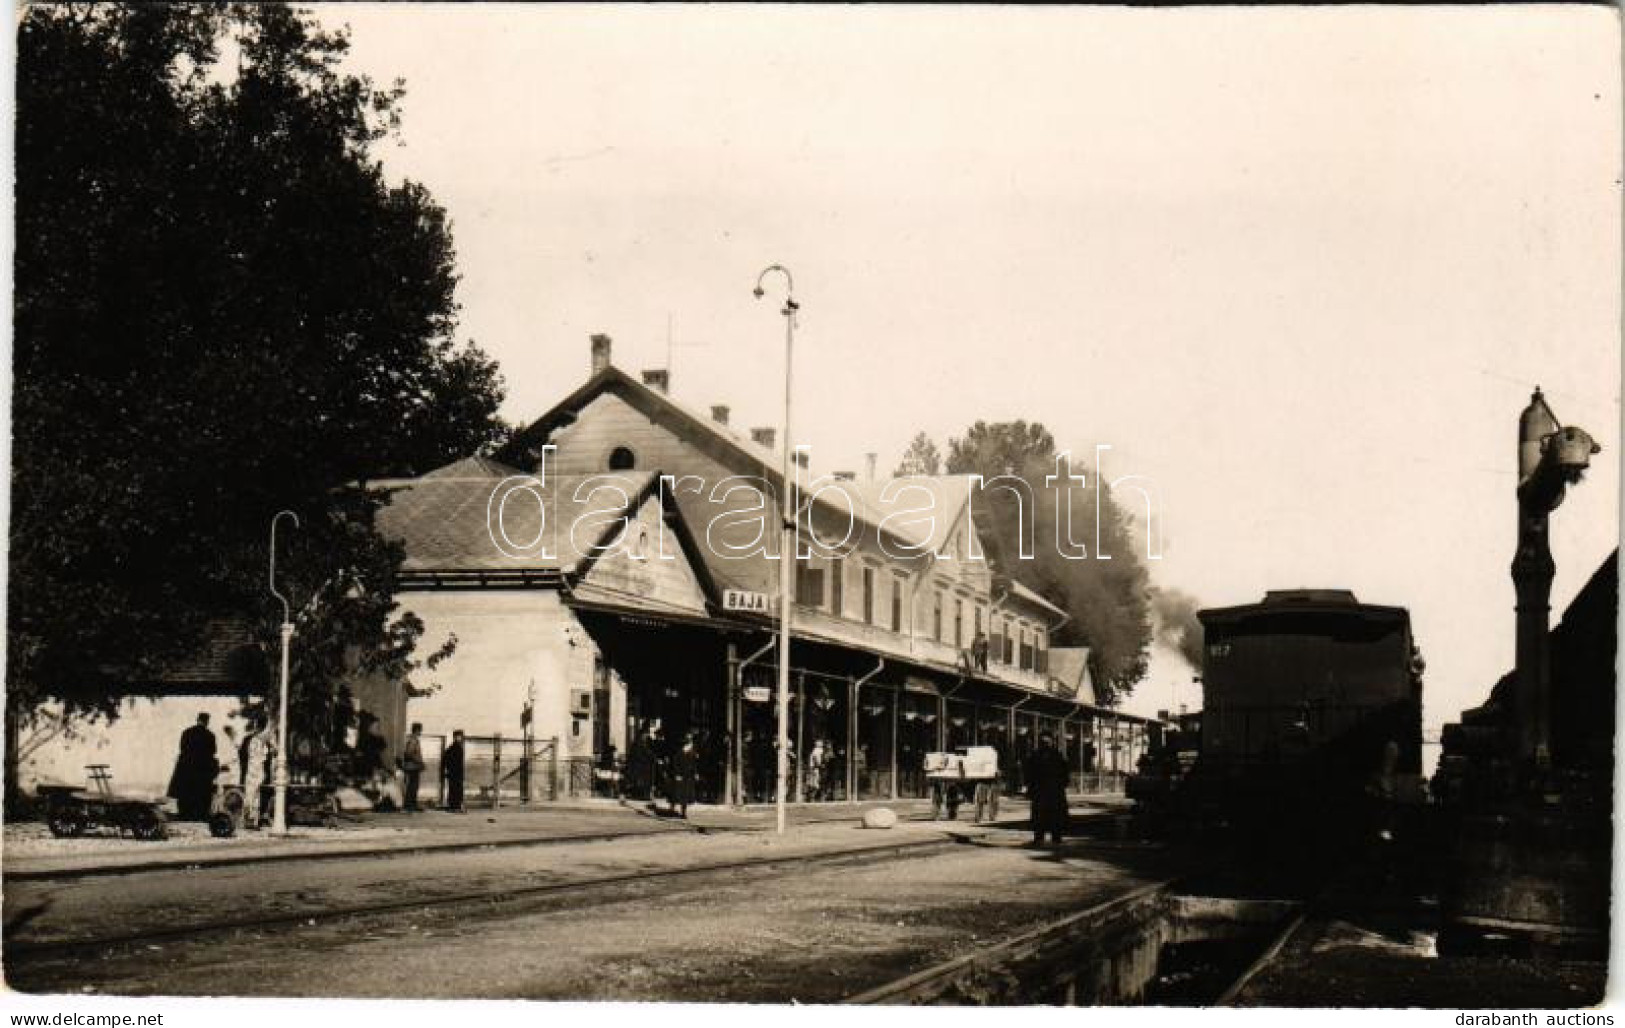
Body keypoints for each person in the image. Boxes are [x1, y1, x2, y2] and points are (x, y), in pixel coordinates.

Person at [166, 713, 218, 821]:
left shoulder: (186, 732)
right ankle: (200, 814)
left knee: (185, 791)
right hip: (202, 768)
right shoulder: (210, 735)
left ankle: (184, 814)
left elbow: (182, 747)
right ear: (207, 722)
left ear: (197, 720)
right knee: (202, 792)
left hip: (186, 767)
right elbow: (213, 751)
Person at [1024, 733, 1071, 846]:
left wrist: (1030, 788)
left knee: (1044, 815)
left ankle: (1043, 836)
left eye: (1046, 742)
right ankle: (1053, 836)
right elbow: (1065, 774)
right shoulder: (1057, 755)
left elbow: (1029, 774)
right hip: (1051, 791)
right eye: (1044, 742)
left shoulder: (1036, 756)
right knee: (1051, 815)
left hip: (1046, 791)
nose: (1046, 744)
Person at [242, 719, 276, 830]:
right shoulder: (259, 740)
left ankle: (251, 820)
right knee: (254, 796)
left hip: (253, 769)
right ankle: (252, 820)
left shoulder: (253, 739)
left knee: (252, 795)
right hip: (256, 769)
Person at [667, 733, 699, 819]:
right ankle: (672, 808)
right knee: (676, 793)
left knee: (685, 795)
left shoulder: (693, 750)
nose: (689, 741)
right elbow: (675, 762)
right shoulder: (679, 750)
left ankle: (683, 812)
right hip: (680, 775)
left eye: (690, 739)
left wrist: (695, 773)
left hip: (688, 776)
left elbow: (694, 763)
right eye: (688, 739)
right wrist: (677, 774)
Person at [400, 723, 425, 813]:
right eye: (420, 730)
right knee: (412, 786)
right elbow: (409, 753)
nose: (421, 732)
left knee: (413, 786)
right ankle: (410, 805)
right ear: (417, 730)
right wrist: (419, 762)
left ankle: (411, 804)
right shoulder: (413, 740)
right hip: (412, 767)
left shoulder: (412, 739)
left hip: (412, 766)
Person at [442, 729, 466, 812]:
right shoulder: (457, 748)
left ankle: (453, 805)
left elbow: (444, 760)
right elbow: (458, 763)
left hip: (452, 772)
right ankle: (456, 806)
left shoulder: (450, 748)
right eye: (459, 736)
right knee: (457, 789)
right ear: (456, 737)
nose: (460, 738)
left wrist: (446, 770)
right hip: (456, 773)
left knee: (452, 789)